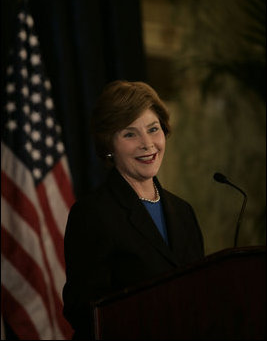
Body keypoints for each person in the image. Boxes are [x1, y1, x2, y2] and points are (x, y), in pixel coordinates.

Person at [62, 80, 204, 339]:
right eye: (130, 134)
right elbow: (82, 310)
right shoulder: (92, 214)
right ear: (109, 146)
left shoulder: (183, 212)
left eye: (153, 129)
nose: (147, 143)